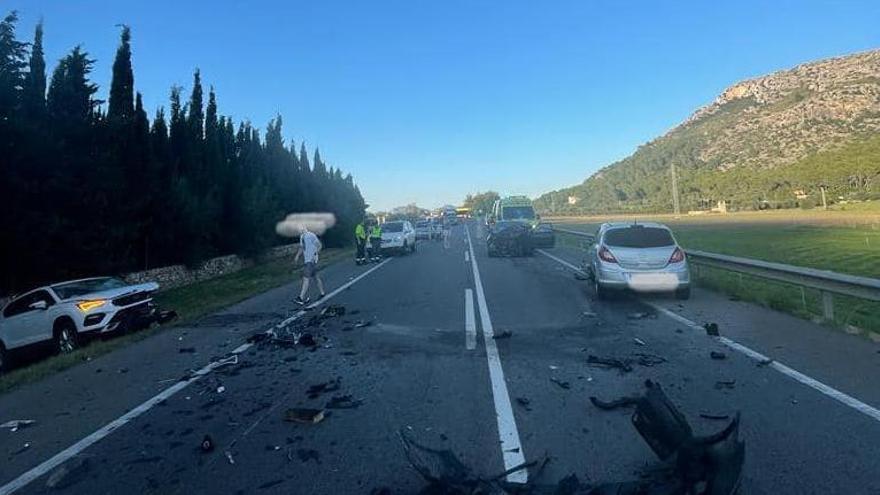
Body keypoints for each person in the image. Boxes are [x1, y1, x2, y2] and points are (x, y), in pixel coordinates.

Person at [293, 226, 326, 305]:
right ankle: (322, 293)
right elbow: (301, 247)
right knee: (315, 277)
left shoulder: (311, 235)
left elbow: (319, 245)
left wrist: (314, 255)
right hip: (307, 260)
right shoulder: (302, 237)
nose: (298, 230)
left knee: (306, 278)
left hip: (311, 260)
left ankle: (301, 297)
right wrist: (297, 256)